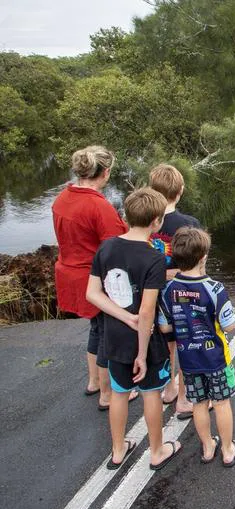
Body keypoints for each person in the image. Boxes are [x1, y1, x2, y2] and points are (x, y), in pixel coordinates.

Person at [86, 188, 182, 470]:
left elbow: (92, 293)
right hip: (145, 341)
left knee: (119, 392)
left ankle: (117, 450)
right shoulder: (152, 258)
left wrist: (121, 316)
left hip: (113, 337)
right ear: (156, 221)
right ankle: (156, 451)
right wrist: (141, 352)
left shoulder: (106, 247)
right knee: (151, 393)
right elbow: (147, 311)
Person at [52, 145, 137, 410]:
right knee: (107, 335)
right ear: (105, 172)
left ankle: (93, 382)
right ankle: (107, 394)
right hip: (95, 280)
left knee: (96, 329)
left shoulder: (61, 198)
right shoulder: (98, 207)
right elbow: (115, 249)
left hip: (70, 273)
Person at [158, 227, 235, 467]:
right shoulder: (215, 289)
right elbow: (229, 326)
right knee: (222, 402)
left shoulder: (168, 291)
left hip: (189, 361)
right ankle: (227, 449)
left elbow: (165, 328)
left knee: (199, 404)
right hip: (216, 358)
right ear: (203, 256)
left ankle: (207, 447)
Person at [147, 164, 201, 416]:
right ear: (180, 191)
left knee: (166, 341)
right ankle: (183, 398)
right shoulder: (189, 223)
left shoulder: (145, 222)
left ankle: (168, 388)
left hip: (155, 296)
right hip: (182, 295)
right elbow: (198, 264)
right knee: (185, 342)